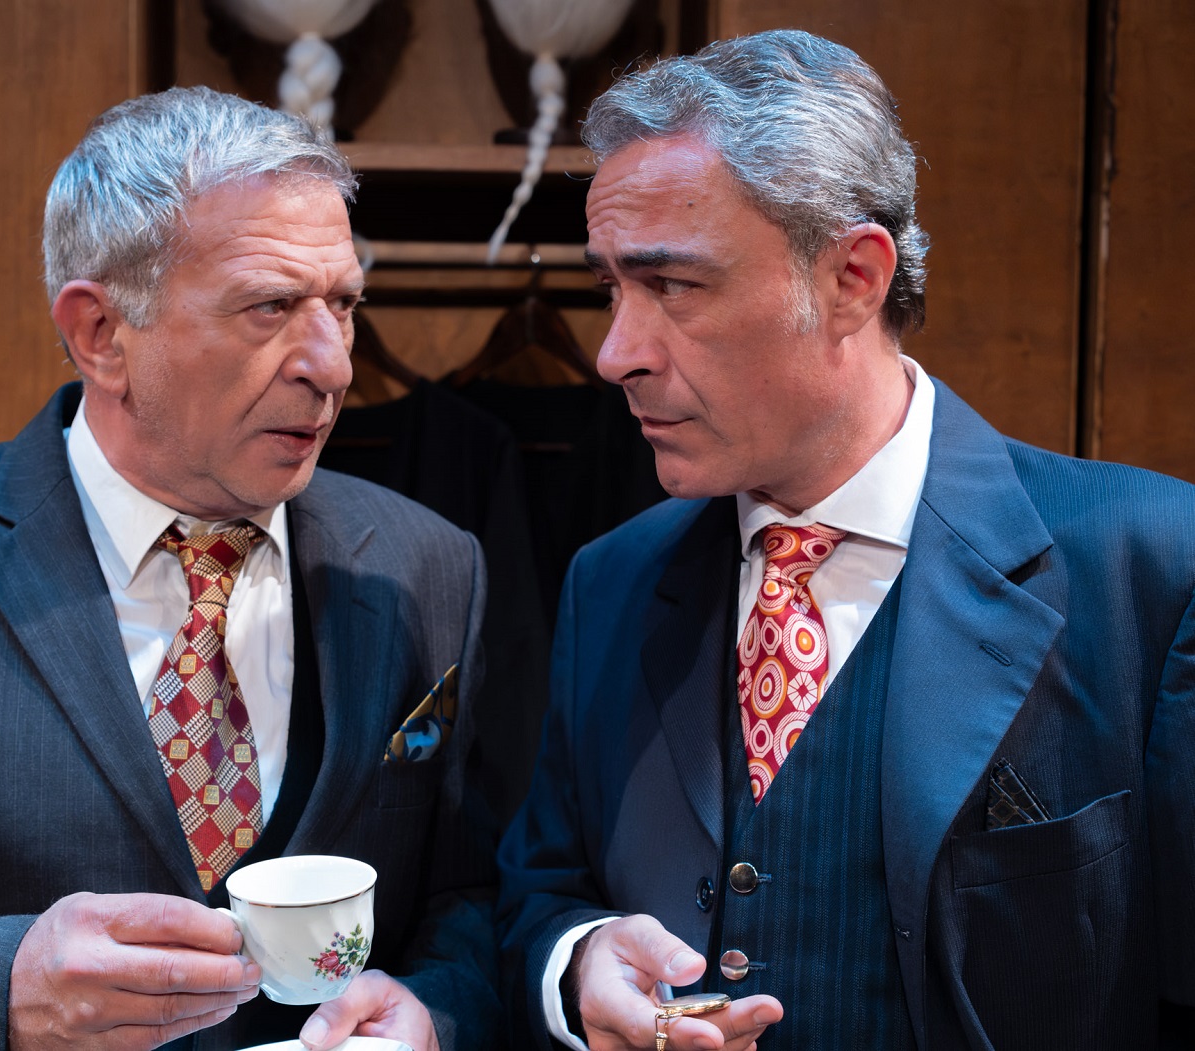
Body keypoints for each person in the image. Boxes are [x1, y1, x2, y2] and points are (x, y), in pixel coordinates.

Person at [497, 28, 1195, 1051]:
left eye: (674, 286)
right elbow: (539, 889)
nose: (614, 353)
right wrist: (578, 958)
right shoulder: (612, 581)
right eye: (611, 288)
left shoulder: (1150, 568)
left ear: (853, 278)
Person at [0, 87, 498, 1051]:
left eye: (343, 303)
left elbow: (466, 897)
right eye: (270, 307)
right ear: (101, 334)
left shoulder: (430, 564)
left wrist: (435, 1013)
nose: (335, 365)